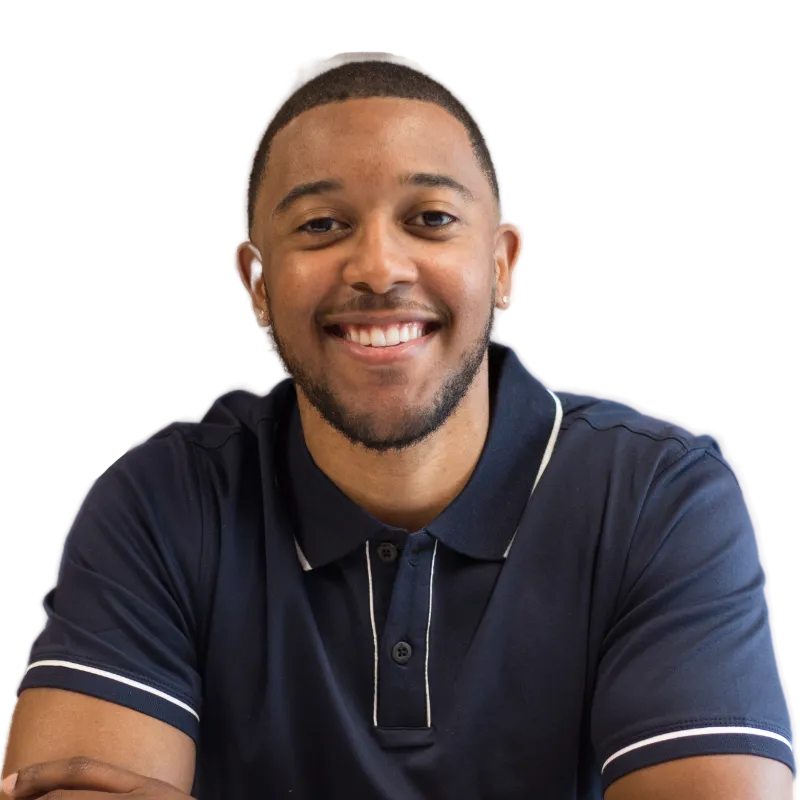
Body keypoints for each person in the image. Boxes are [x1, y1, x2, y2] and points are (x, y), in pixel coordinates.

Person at [1, 50, 796, 799]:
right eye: (321, 225)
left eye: (431, 218)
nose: (379, 268)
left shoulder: (660, 496)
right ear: (256, 283)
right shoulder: (160, 501)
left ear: (504, 264)